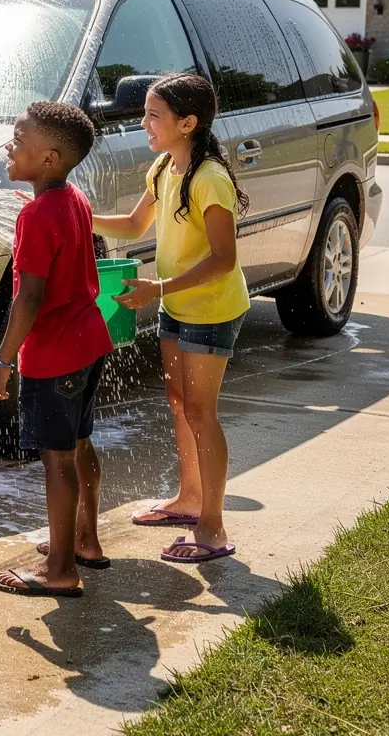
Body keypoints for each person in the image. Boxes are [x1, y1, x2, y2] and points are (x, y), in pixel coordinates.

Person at [92, 72, 249, 563]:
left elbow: (223, 259)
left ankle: (213, 528)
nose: (144, 124)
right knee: (180, 404)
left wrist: (157, 289)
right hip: (177, 306)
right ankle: (189, 499)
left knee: (202, 412)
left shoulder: (209, 179)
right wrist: (74, 212)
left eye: (153, 116)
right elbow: (133, 224)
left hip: (211, 309)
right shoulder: (164, 167)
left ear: (187, 123)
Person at [0, 102, 114, 597]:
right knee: (79, 445)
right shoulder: (73, 198)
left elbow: (29, 298)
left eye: (19, 141)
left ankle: (59, 569)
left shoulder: (37, 215)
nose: (9, 147)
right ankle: (86, 541)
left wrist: (2, 361)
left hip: (54, 354)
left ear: (49, 159)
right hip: (89, 341)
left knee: (57, 460)